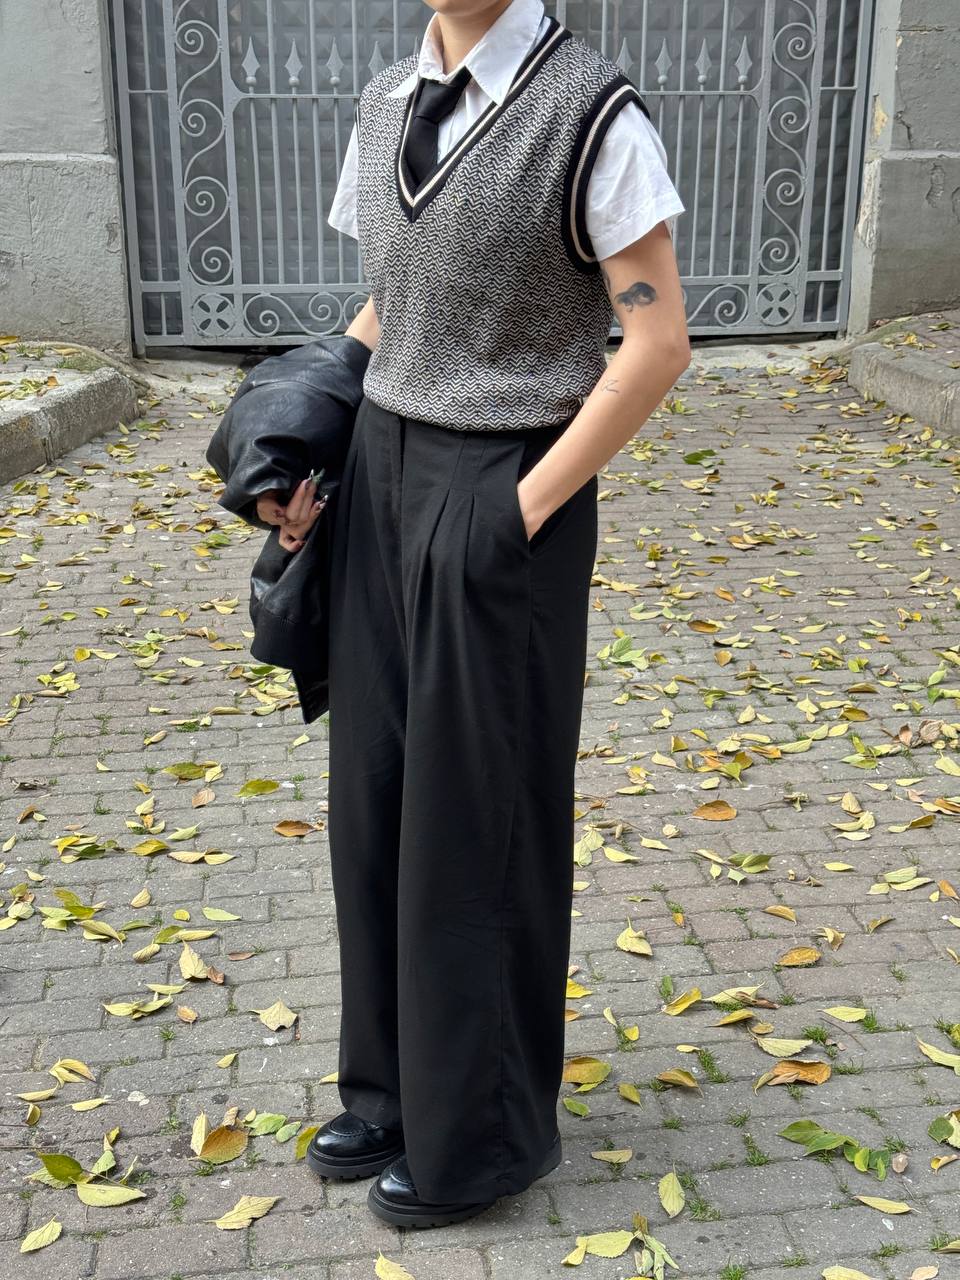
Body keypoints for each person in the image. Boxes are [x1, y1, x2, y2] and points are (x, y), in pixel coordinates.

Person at [259, 0, 689, 1230]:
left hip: (506, 482)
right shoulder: (385, 103)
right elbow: (390, 307)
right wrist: (310, 442)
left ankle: (483, 1133)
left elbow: (657, 341)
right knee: (378, 799)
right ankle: (392, 1088)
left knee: (478, 816)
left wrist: (520, 509)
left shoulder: (590, 112)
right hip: (383, 475)